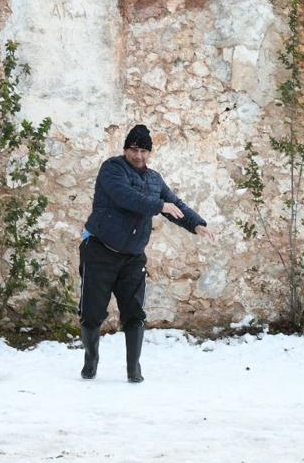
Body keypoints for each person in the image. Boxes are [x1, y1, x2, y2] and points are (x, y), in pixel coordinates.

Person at [79, 124, 209, 383]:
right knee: (92, 313)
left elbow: (176, 204)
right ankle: (91, 357)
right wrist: (161, 205)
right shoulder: (112, 169)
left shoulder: (154, 179)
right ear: (126, 149)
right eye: (134, 149)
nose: (138, 155)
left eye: (144, 151)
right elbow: (126, 197)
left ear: (149, 153)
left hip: (133, 257)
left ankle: (133, 369)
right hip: (100, 251)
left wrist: (196, 223)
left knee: (135, 314)